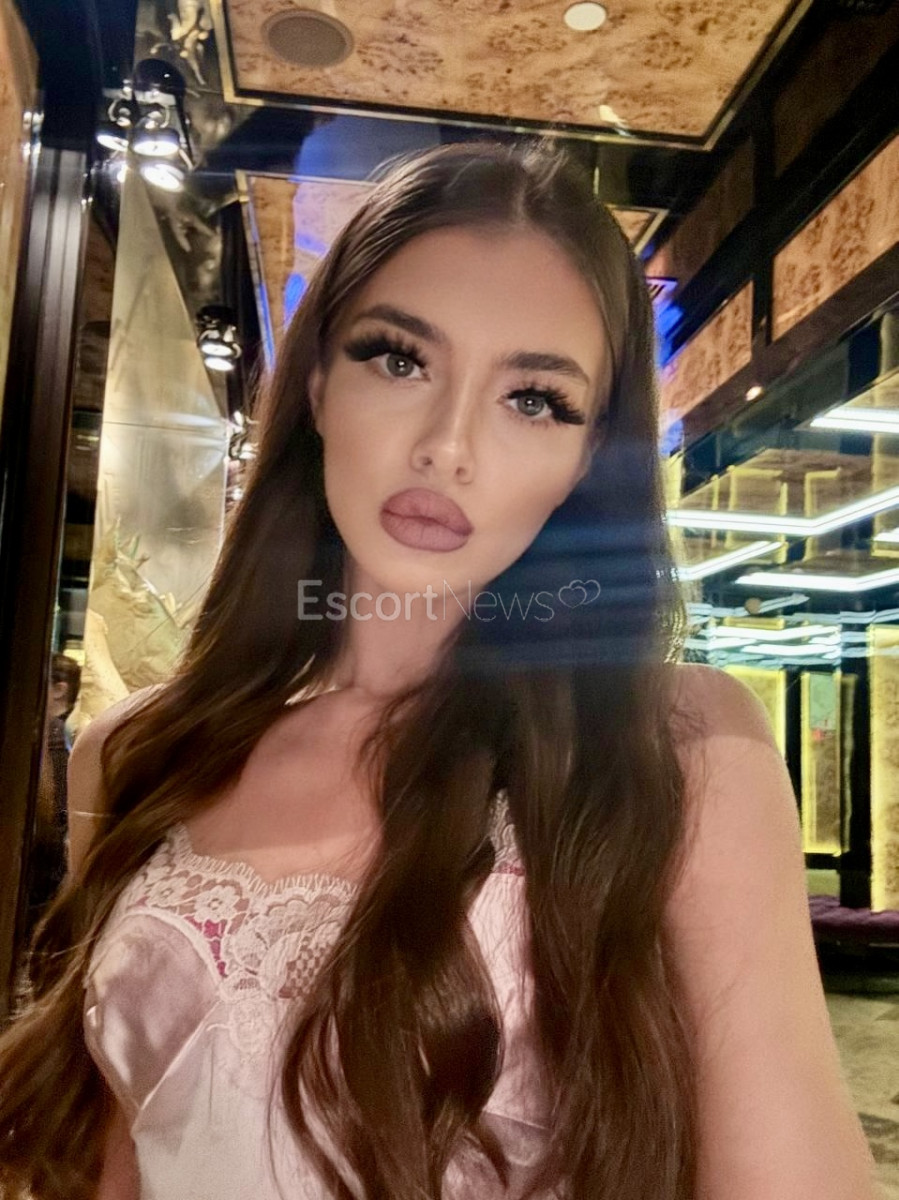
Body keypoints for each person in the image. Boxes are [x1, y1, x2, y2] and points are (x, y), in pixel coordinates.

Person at [0, 141, 878, 1200]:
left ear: (585, 459)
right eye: (399, 359)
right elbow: (119, 1155)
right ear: (317, 383)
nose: (447, 446)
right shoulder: (136, 751)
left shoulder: (675, 750)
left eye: (534, 400)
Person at [24, 652, 82, 939]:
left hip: (39, 880)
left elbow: (57, 813)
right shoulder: (61, 734)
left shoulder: (55, 736)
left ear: (59, 690)